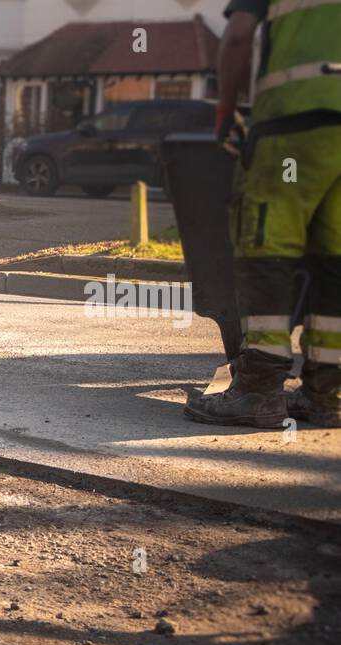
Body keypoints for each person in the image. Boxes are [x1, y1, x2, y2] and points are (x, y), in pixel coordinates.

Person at [185, 0, 341, 428]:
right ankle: (327, 397)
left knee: (266, 249)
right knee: (336, 262)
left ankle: (258, 391)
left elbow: (237, 36)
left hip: (294, 126)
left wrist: (225, 111)